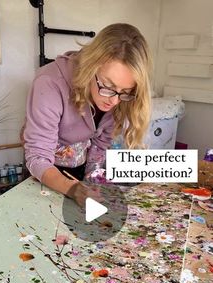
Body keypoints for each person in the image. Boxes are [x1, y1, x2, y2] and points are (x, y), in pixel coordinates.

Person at [23, 23, 152, 206]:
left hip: (79, 171)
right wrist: (72, 189)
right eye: (108, 87)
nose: (114, 102)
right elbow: (38, 157)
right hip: (44, 174)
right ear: (91, 67)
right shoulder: (50, 82)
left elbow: (100, 146)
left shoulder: (120, 98)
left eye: (125, 92)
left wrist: (93, 182)